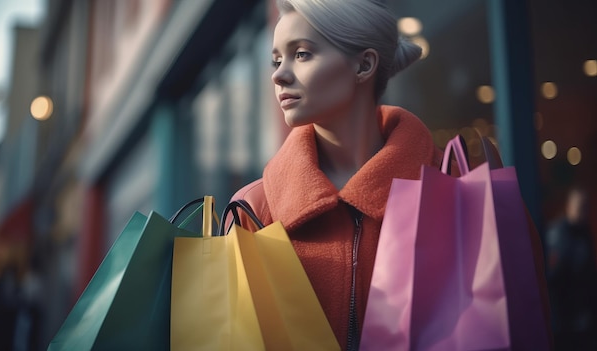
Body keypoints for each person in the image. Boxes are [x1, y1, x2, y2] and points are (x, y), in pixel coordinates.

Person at [230, 0, 549, 349]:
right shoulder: (254, 209)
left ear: (364, 64)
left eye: (302, 54)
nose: (278, 74)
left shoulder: (464, 195)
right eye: (276, 59)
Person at [546, 187, 597, 350]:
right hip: (563, 319)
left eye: (586, 206)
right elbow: (554, 277)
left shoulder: (584, 232)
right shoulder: (558, 234)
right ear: (569, 206)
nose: (584, 210)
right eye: (580, 205)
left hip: (583, 314)